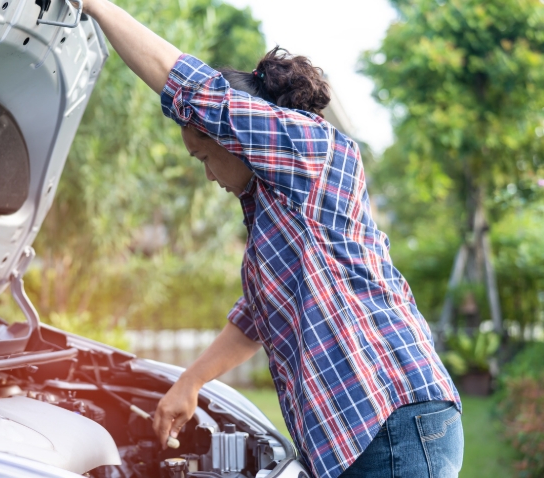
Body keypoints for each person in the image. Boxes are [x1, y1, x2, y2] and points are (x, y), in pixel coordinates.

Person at [77, 1, 464, 477]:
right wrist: (190, 382)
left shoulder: (309, 150)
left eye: (203, 156)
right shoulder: (274, 207)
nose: (207, 176)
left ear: (234, 137)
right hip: (369, 436)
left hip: (392, 422)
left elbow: (196, 92)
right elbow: (256, 315)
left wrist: (95, 5)